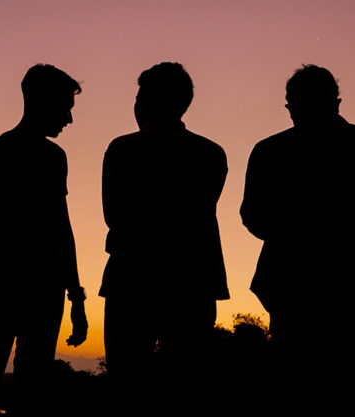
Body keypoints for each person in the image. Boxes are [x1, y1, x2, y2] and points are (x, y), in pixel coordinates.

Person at [240, 65, 355, 416]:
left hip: (294, 291)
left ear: (291, 106)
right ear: (337, 101)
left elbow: (253, 217)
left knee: (298, 395)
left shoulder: (269, 152)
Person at [100, 62, 229, 416]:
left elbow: (114, 216)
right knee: (185, 387)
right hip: (193, 281)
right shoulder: (211, 154)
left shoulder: (122, 150)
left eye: (140, 96)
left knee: (127, 386)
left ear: (149, 101)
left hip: (132, 279)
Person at [0, 64, 88, 417]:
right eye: (66, 107)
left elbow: (57, 229)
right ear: (43, 102)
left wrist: (75, 295)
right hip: (23, 289)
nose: (68, 119)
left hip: (14, 287)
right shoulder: (43, 158)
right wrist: (74, 295)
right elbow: (58, 230)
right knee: (17, 385)